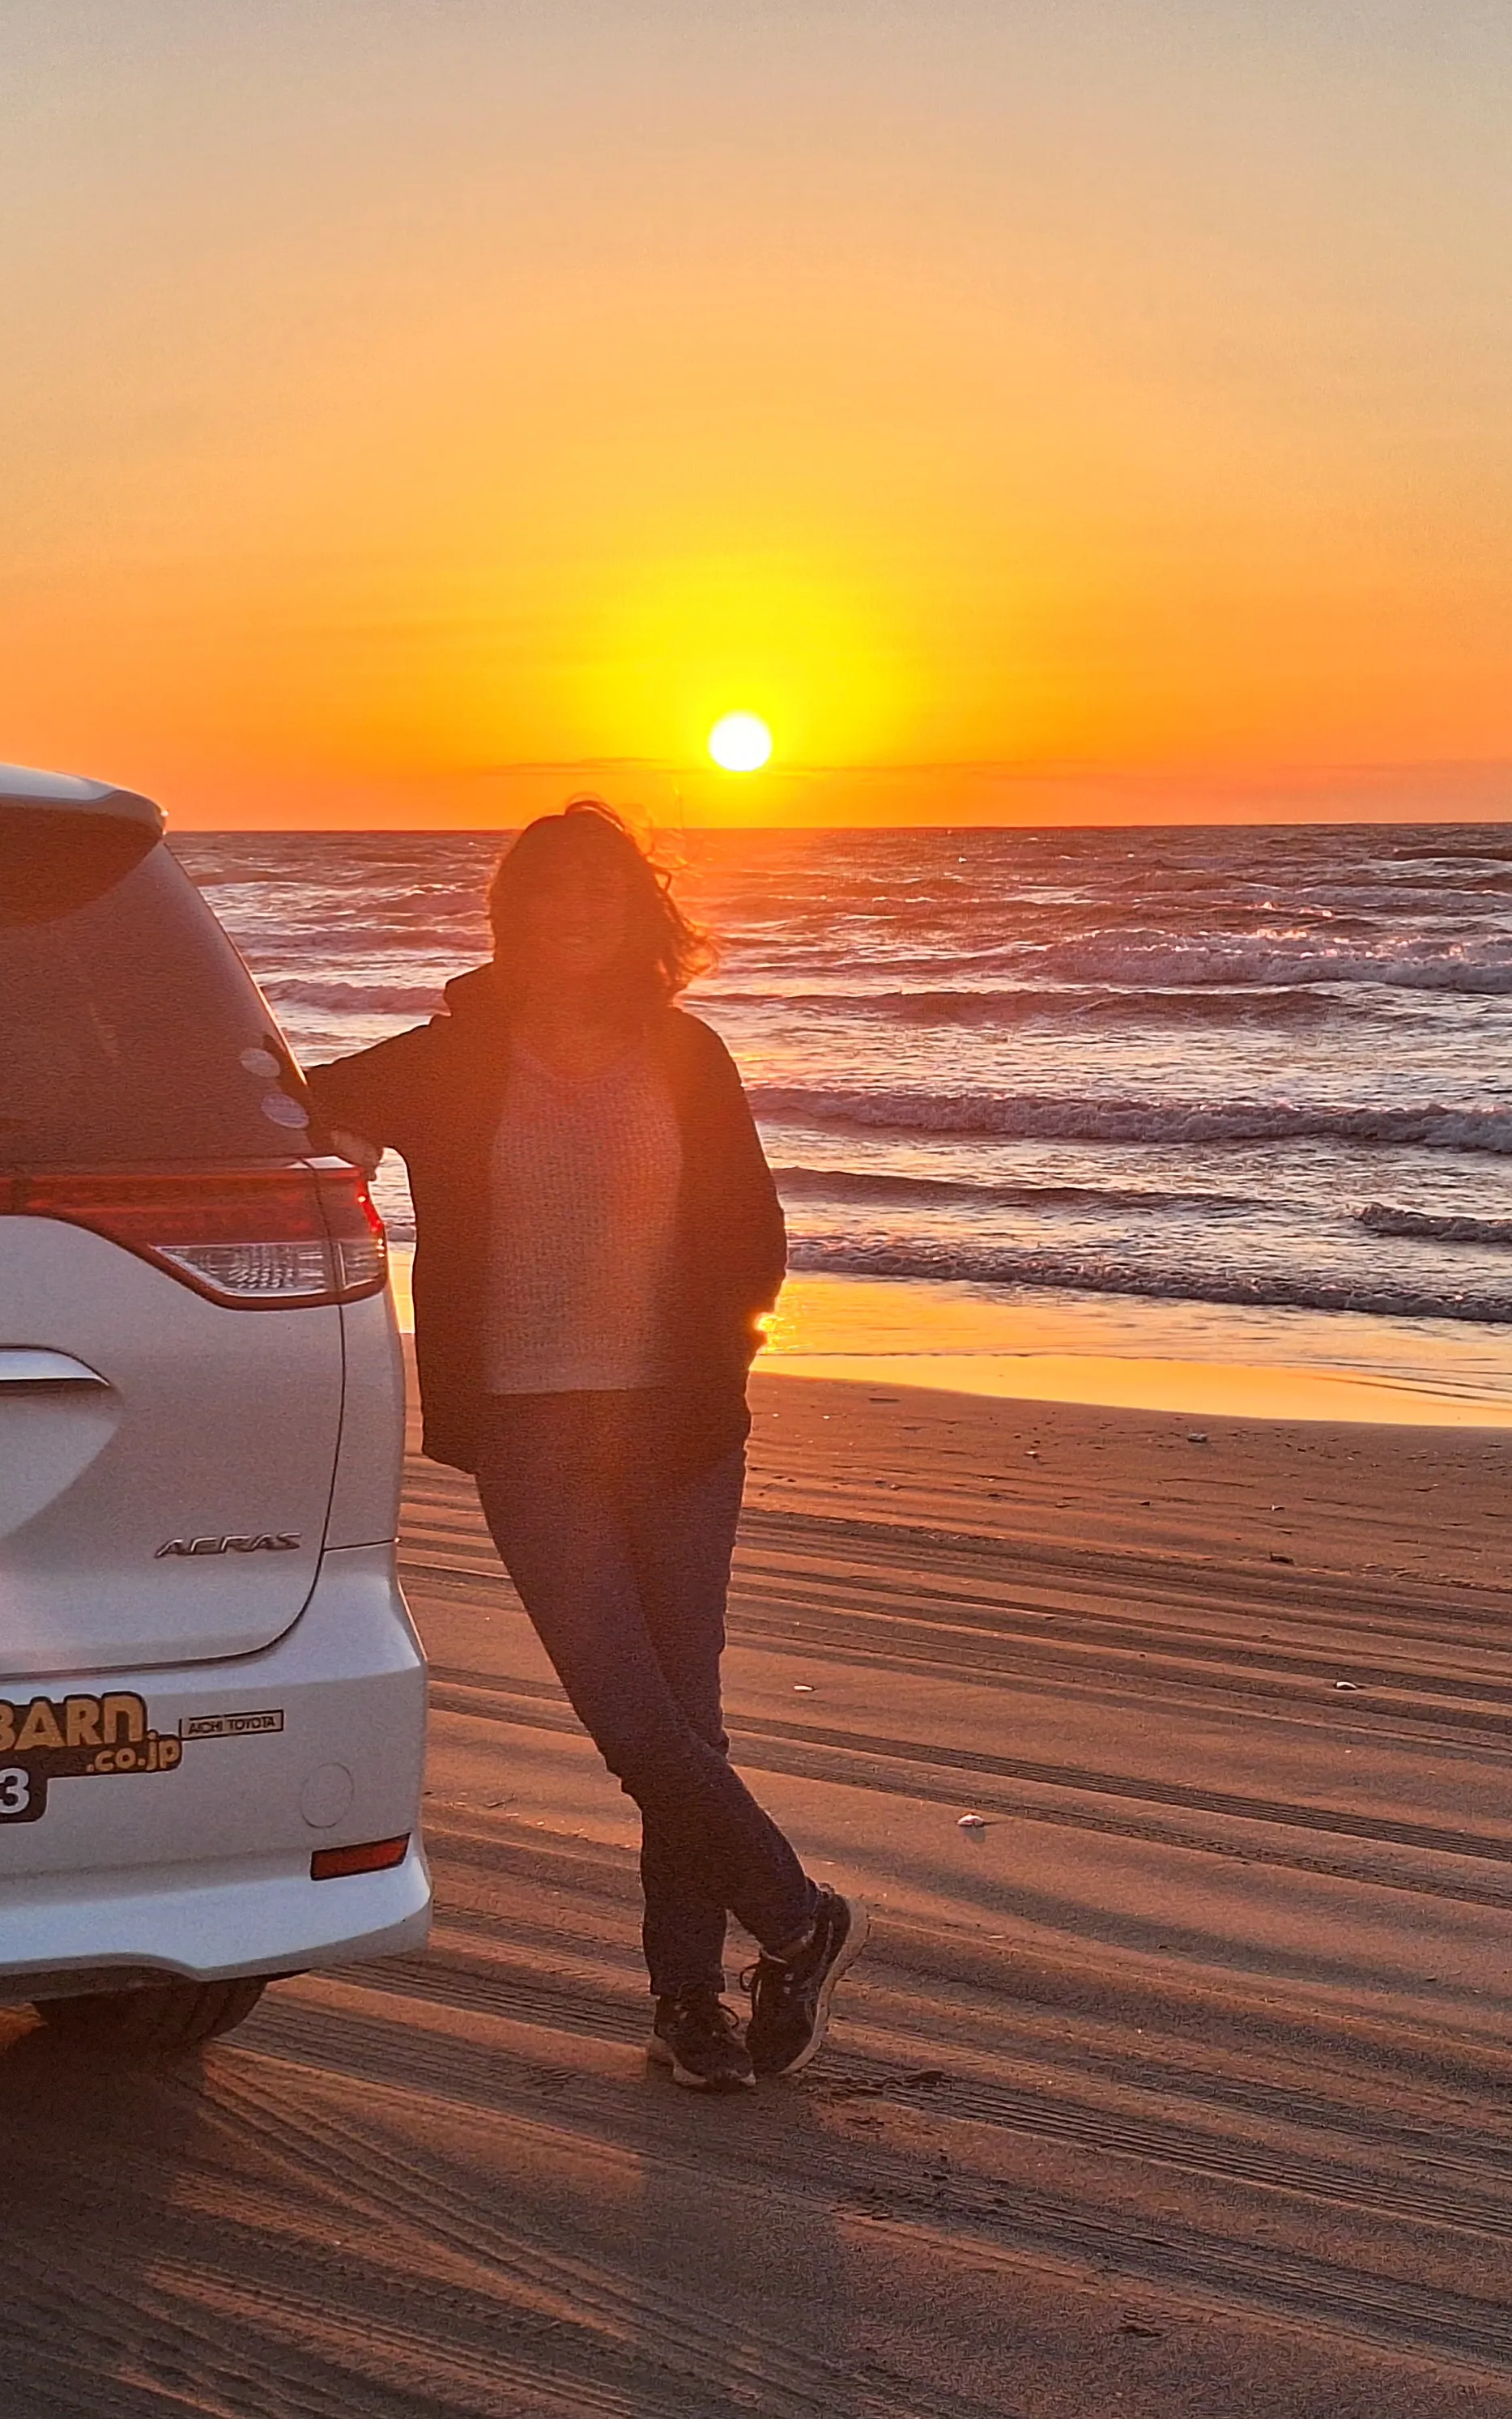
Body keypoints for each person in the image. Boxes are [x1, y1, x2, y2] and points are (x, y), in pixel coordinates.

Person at [307, 801, 866, 2093]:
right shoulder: (451, 1058)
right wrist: (333, 1156)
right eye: (550, 895)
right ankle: (797, 1922)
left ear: (635, 915)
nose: (575, 917)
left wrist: (721, 1366)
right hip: (530, 1429)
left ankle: (690, 2005)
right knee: (631, 1721)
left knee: (688, 1718)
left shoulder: (686, 1054)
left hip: (676, 1425)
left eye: (600, 896)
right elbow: (303, 1106)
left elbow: (751, 1231)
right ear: (515, 913)